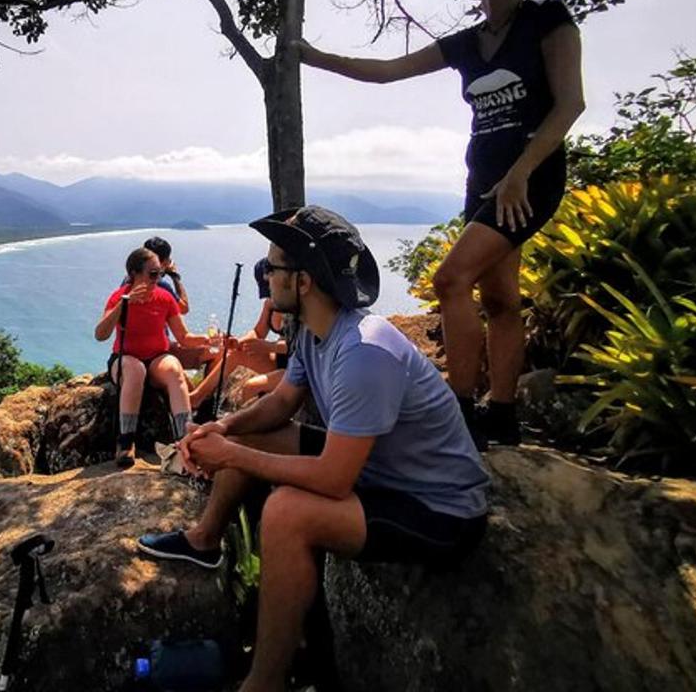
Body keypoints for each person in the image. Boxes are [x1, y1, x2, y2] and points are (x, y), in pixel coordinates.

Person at [137, 206, 490, 692]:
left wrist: (232, 457)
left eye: (274, 267)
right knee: (243, 433)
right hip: (379, 469)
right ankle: (206, 541)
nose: (267, 276)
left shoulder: (363, 352)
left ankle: (264, 682)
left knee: (286, 513)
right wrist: (222, 427)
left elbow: (333, 480)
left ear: (302, 281)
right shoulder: (317, 333)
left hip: (435, 506)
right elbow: (281, 403)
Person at [299, 0, 586, 447]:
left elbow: (570, 104)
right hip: (482, 182)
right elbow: (387, 71)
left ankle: (456, 407)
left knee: (451, 280)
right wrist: (313, 56)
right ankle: (501, 414)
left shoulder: (547, 19)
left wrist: (521, 172)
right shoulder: (468, 44)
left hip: (529, 177)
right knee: (499, 298)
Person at [96, 247, 211, 467]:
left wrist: (208, 339)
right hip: (125, 359)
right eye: (152, 274)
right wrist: (123, 304)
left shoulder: (164, 297)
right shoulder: (118, 297)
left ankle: (185, 439)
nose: (158, 279)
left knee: (174, 369)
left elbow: (183, 337)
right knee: (136, 370)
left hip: (157, 357)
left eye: (160, 273)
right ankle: (126, 442)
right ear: (134, 274)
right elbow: (100, 334)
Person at [188, 258, 289, 411]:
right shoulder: (270, 304)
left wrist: (268, 347)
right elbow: (258, 332)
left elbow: (299, 347)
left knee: (251, 386)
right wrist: (239, 342)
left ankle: (248, 428)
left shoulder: (295, 308)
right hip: (278, 361)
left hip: (297, 369)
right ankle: (197, 397)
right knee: (235, 354)